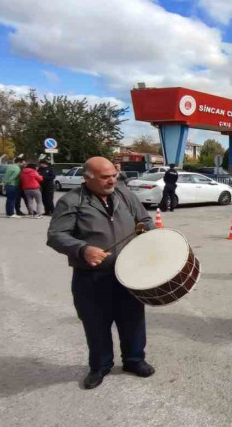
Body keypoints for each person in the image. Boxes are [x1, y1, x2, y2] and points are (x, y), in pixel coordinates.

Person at [47, 156, 156, 390]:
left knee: (133, 320)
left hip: (129, 274)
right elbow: (56, 235)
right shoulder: (71, 201)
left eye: (113, 175)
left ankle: (134, 360)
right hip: (92, 277)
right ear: (88, 178)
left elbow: (145, 219)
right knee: (96, 323)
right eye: (105, 177)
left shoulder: (125, 194)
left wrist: (150, 233)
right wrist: (82, 249)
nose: (111, 180)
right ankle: (100, 366)